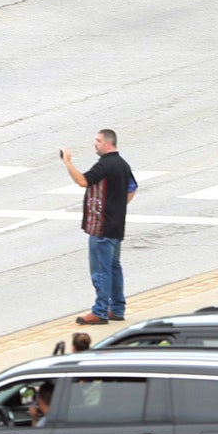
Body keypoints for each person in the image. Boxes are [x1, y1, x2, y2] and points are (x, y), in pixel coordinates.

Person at [64, 130, 137, 326]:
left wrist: (68, 162)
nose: (95, 144)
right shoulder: (122, 164)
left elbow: (82, 181)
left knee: (101, 271)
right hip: (116, 225)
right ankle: (117, 308)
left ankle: (100, 311)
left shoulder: (105, 165)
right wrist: (119, 207)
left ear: (108, 144)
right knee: (114, 267)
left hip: (101, 227)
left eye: (98, 141)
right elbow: (132, 188)